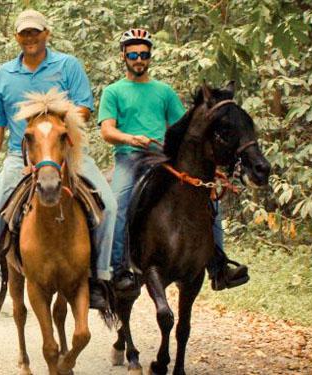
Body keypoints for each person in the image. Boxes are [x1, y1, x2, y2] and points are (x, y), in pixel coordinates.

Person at [0, 10, 115, 310]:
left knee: (108, 204)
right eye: (24, 33)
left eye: (35, 32)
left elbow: (84, 108)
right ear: (17, 37)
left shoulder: (67, 65)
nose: (30, 38)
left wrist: (55, 116)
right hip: (22, 156)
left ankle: (100, 276)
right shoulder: (5, 74)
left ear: (46, 34)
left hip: (64, 153)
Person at [99, 28, 249, 291]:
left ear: (149, 56)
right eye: (133, 53)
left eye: (143, 54)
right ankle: (117, 268)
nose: (138, 59)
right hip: (129, 159)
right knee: (116, 204)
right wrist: (131, 138)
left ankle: (219, 267)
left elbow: (186, 129)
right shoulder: (114, 91)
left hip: (161, 158)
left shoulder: (164, 91)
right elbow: (107, 131)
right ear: (124, 55)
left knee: (210, 202)